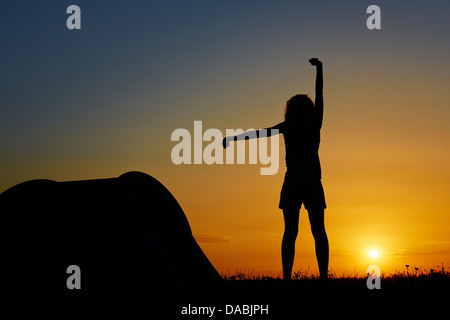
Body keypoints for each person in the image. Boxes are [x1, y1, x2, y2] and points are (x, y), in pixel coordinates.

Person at [222, 58, 329, 280]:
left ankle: (288, 278)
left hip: (293, 181)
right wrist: (319, 68)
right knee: (318, 232)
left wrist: (233, 138)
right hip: (310, 181)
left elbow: (259, 133)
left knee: (290, 233)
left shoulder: (288, 127)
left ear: (290, 110)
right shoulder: (313, 125)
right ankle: (323, 278)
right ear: (309, 110)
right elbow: (320, 95)